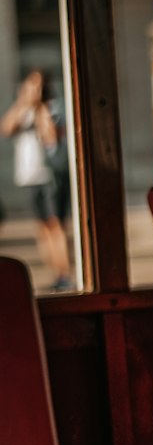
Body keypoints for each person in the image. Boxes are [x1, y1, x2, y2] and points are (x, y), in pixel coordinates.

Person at [2, 68, 72, 290]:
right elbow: (7, 128)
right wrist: (24, 103)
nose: (36, 90)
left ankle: (66, 273)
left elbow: (51, 136)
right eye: (32, 85)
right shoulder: (23, 109)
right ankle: (56, 273)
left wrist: (41, 109)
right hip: (31, 176)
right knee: (42, 227)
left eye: (39, 86)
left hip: (50, 176)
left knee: (56, 224)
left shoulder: (54, 107)